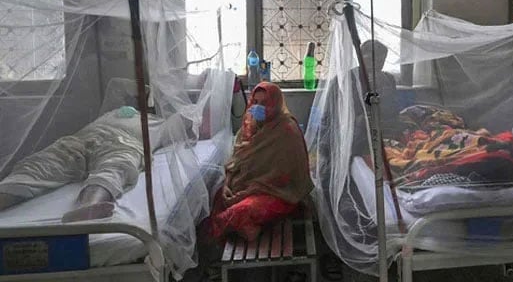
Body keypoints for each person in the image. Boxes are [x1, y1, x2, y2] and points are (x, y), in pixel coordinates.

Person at [0, 105, 180, 222]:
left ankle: (89, 206)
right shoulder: (118, 110)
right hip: (82, 139)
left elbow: (190, 122)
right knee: (41, 165)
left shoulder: (162, 124)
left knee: (116, 167)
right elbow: (117, 84)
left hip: (125, 143)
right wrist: (142, 94)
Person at [205, 81, 313, 242]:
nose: (258, 107)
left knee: (240, 211)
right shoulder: (250, 126)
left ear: (276, 104)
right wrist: (227, 185)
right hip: (245, 186)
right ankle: (248, 227)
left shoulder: (287, 130)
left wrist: (250, 191)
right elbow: (236, 160)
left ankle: (246, 227)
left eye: (265, 103)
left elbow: (287, 177)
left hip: (279, 193)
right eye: (255, 102)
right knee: (217, 199)